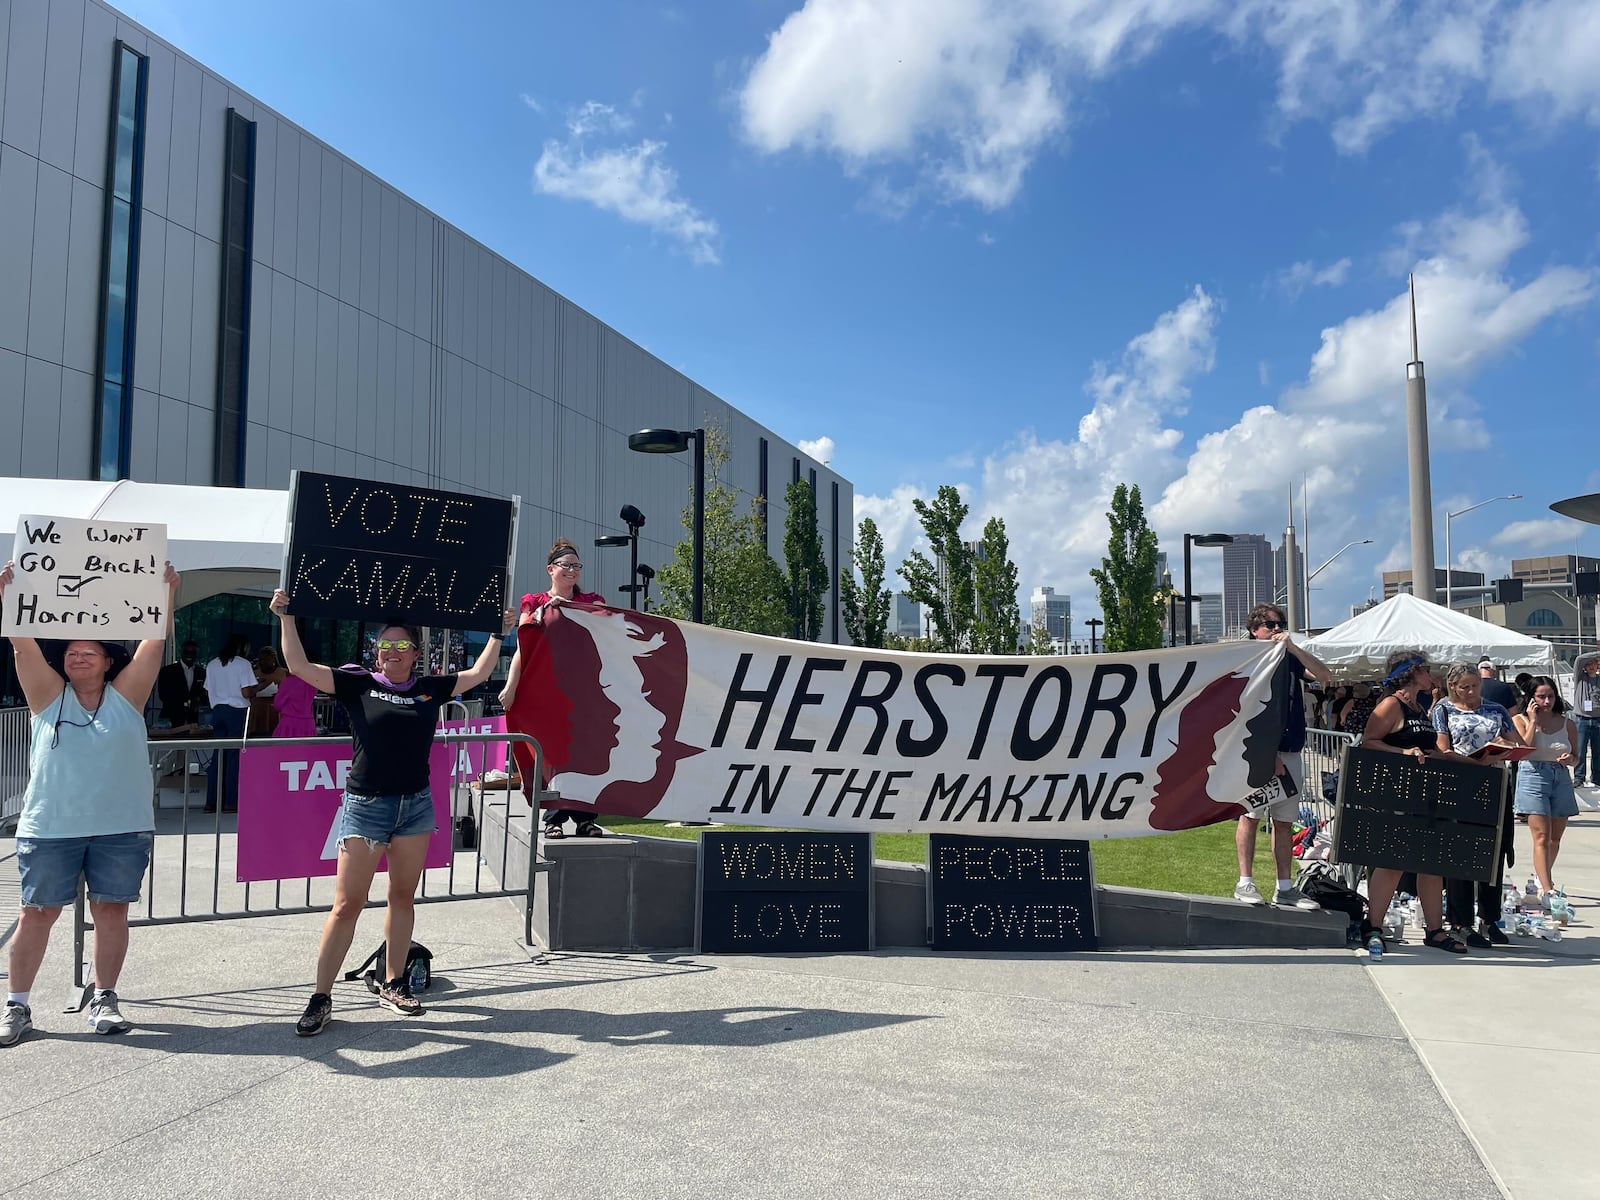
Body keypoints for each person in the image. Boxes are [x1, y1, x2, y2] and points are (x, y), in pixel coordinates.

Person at [271, 590, 514, 1035]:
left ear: (416, 654)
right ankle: (321, 997)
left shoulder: (429, 688)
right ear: (375, 651)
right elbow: (300, 668)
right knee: (347, 905)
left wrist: (499, 632)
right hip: (366, 807)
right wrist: (286, 618)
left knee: (402, 897)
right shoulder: (356, 683)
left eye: (403, 646)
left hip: (415, 806)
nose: (393, 652)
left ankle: (394, 982)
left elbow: (479, 673)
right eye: (386, 645)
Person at [0, 559, 180, 1047]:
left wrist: (165, 592)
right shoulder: (46, 698)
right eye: (72, 653)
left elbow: (155, 643)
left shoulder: (127, 698)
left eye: (90, 653)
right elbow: (22, 645)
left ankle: (104, 996)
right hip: (50, 826)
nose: (79, 658)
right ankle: (17, 1005)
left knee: (111, 911)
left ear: (107, 662)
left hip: (120, 827)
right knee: (36, 913)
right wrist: (9, 595)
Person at [1360, 651, 1468, 954]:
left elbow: (1426, 745)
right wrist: (1403, 755)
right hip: (1397, 794)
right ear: (1411, 673)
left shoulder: (1418, 706)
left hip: (1425, 795)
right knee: (1392, 864)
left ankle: (1434, 930)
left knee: (1431, 864)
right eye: (1426, 669)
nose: (1431, 674)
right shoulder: (1391, 705)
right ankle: (1373, 925)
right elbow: (1369, 741)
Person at [500, 538, 608, 839]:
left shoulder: (591, 599)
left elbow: (603, 624)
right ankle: (554, 818)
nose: (572, 571)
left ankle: (586, 818)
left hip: (583, 691)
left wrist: (572, 608)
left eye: (576, 566)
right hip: (546, 690)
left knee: (585, 754)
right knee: (552, 754)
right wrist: (511, 686)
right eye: (566, 565)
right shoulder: (533, 602)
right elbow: (524, 645)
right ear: (551, 569)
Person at [1232, 604, 1332, 909]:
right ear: (1254, 630)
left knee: (1285, 821)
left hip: (1290, 748)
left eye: (1281, 624)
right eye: (1270, 625)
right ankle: (1245, 881)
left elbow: (1324, 675)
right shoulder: (1249, 658)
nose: (1277, 629)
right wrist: (1268, 752)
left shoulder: (1287, 657)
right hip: (1259, 752)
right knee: (1251, 815)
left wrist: (1293, 647)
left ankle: (1284, 887)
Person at [1431, 662, 1525, 947]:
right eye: (1465, 687)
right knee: (1460, 851)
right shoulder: (1443, 710)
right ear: (1453, 687)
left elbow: (1517, 744)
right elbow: (1443, 749)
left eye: (1475, 685)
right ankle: (1460, 920)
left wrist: (1502, 747)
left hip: (1494, 782)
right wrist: (1475, 760)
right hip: (1460, 782)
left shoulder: (1495, 709)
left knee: (1493, 850)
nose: (1471, 691)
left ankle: (1490, 917)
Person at [1513, 676, 1580, 909]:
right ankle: (1548, 887)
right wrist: (1532, 721)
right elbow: (1522, 749)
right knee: (1541, 836)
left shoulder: (1567, 723)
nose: (1547, 701)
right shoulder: (1519, 720)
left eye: (1550, 696)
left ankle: (1543, 879)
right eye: (1541, 696)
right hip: (1533, 774)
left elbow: (1576, 757)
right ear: (1531, 698)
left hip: (1560, 777)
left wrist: (1570, 758)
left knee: (1554, 838)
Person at [203, 633, 254, 813]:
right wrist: (257, 689)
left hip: (218, 710)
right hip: (237, 710)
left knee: (218, 756)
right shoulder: (243, 664)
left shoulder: (212, 664)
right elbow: (246, 692)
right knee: (234, 757)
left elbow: (208, 688)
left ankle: (212, 802)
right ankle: (231, 801)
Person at [156, 640, 206, 727]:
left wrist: (198, 701)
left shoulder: (201, 672)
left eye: (193, 652)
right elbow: (163, 695)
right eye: (186, 652)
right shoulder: (167, 671)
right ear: (181, 653)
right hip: (171, 717)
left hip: (194, 718)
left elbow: (204, 694)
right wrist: (187, 703)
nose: (189, 655)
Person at [1571, 652, 1599, 792]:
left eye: (1593, 663)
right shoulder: (1580, 678)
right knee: (1580, 750)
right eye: (1588, 665)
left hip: (1598, 720)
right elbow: (1579, 659)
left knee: (1598, 751)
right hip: (1582, 719)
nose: (1591, 667)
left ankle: (1597, 778)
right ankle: (1579, 778)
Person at [271, 656, 320, 738]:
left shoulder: (288, 682)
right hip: (309, 723)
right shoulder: (314, 681)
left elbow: (277, 705)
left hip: (290, 724)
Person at [246, 646, 287, 736]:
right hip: (257, 711)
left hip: (275, 712)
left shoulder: (284, 673)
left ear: (273, 659)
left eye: (266, 659)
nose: (262, 662)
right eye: (260, 660)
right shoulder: (254, 673)